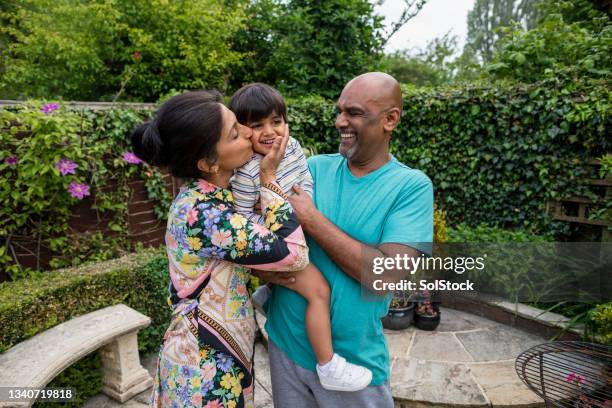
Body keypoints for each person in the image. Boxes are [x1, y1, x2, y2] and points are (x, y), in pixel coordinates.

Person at [259, 72, 434, 407]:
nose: (340, 122)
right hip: (285, 344)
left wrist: (311, 218)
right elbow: (262, 229)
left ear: (390, 120)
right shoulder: (312, 168)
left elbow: (387, 274)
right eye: (339, 111)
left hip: (352, 362)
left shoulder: (410, 187)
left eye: (353, 113)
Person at [131, 90, 309, 408]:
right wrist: (269, 176)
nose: (249, 133)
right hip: (205, 367)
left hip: (215, 352)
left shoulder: (211, 199)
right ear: (209, 161)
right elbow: (295, 254)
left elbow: (224, 265)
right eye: (236, 132)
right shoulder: (206, 214)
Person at [228, 83, 373, 392]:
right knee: (319, 292)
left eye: (276, 121)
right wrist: (278, 204)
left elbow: (303, 180)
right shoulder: (244, 171)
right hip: (275, 245)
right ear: (242, 130)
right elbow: (244, 223)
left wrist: (291, 205)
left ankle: (267, 293)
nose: (270, 131)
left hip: (293, 232)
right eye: (256, 125)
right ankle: (328, 364)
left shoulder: (292, 146)